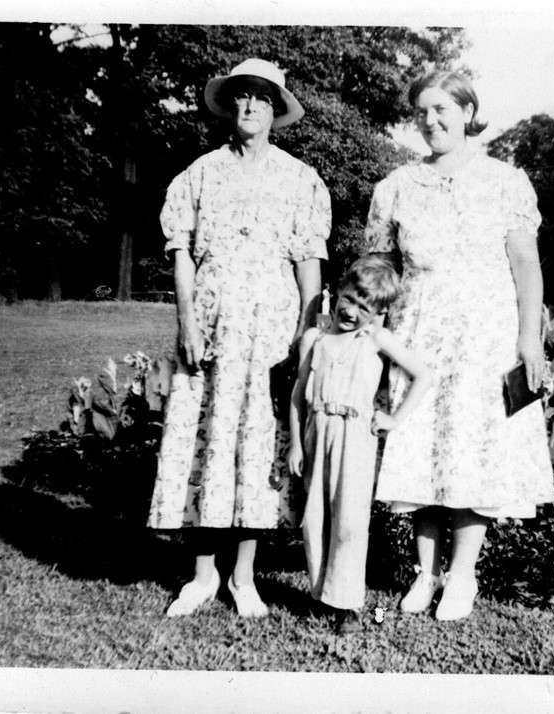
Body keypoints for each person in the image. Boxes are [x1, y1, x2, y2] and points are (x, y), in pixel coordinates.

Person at [364, 70, 554, 621]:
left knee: (473, 452)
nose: (432, 120)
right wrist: (367, 332)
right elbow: (378, 268)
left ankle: (463, 577)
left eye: (443, 109)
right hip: (417, 332)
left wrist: (528, 339)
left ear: (469, 112)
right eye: (422, 111)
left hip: (484, 334)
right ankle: (425, 575)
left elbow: (526, 265)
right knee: (420, 447)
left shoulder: (505, 181)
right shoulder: (395, 187)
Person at [147, 58, 332, 618]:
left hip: (271, 331)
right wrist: (187, 321)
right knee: (206, 435)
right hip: (211, 322)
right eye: (242, 96)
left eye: (261, 97)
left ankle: (244, 577)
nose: (250, 105)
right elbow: (181, 255)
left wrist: (307, 331)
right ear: (231, 105)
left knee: (257, 443)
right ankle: (202, 575)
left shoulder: (301, 180)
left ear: (276, 109)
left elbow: (309, 266)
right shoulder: (199, 173)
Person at [287, 256, 431, 634]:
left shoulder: (376, 340)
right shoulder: (314, 339)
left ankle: (347, 603)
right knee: (314, 517)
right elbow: (298, 396)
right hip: (317, 430)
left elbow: (423, 374)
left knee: (349, 520)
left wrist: (394, 419)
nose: (351, 312)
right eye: (348, 300)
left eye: (365, 308)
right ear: (337, 292)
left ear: (379, 312)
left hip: (356, 436)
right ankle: (320, 594)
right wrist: (296, 445)